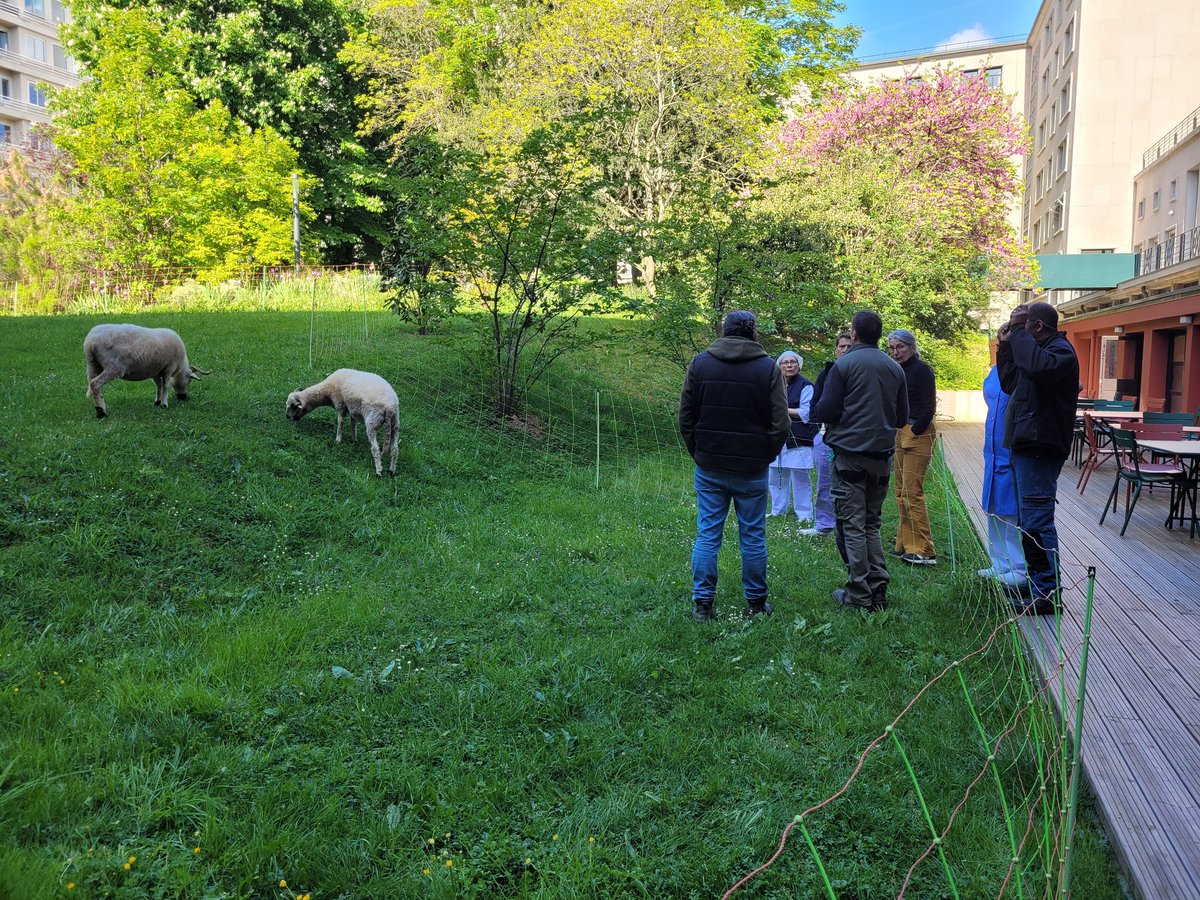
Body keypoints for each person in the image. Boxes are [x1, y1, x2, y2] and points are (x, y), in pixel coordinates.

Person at [679, 310, 790, 621]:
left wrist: (698, 452)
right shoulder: (769, 369)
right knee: (753, 536)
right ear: (754, 334)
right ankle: (756, 604)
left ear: (722, 331)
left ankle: (703, 604)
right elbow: (780, 424)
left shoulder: (700, 363)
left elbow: (686, 416)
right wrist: (764, 455)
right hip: (751, 468)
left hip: (711, 464)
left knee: (707, 534)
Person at [814, 310, 908, 612]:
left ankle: (858, 593)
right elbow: (903, 417)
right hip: (881, 457)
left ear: (854, 334)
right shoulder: (895, 368)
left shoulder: (844, 364)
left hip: (849, 456)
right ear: (879, 335)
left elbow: (825, 411)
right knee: (871, 523)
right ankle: (878, 586)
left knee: (852, 526)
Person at [996, 301, 1079, 615]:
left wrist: (1018, 332)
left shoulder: (1061, 354)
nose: (1019, 328)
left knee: (1037, 522)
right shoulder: (1037, 353)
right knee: (1029, 521)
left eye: (1023, 324)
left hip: (1041, 447)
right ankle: (1039, 587)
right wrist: (1006, 344)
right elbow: (1009, 381)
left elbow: (1036, 366)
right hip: (1026, 445)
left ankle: (1047, 593)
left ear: (1038, 326)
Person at [887, 329, 938, 565]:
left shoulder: (922, 370)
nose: (896, 352)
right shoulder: (897, 370)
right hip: (899, 432)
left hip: (917, 432)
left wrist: (915, 430)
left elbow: (929, 407)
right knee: (900, 493)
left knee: (912, 493)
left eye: (900, 347)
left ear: (911, 347)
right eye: (892, 348)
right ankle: (904, 543)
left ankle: (924, 549)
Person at [979, 364, 1027, 587]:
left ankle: (1018, 567)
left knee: (1011, 511)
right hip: (993, 449)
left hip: (1012, 450)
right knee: (994, 507)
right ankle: (999, 562)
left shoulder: (1026, 367)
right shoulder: (996, 370)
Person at [808, 332, 853, 537]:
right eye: (841, 346)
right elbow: (815, 403)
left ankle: (848, 525)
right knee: (825, 482)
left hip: (851, 438)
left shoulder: (859, 373)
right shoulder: (826, 373)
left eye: (849, 346)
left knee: (850, 483)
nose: (844, 350)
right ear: (835, 350)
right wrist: (816, 431)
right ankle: (825, 525)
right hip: (825, 437)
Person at [768, 351, 817, 524]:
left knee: (800, 478)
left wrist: (781, 410)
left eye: (792, 362)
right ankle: (777, 510)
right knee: (776, 475)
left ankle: (804, 514)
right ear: (779, 367)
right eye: (785, 363)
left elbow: (806, 413)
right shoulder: (774, 385)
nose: (789, 366)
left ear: (798, 365)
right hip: (776, 437)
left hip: (799, 438)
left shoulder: (806, 386)